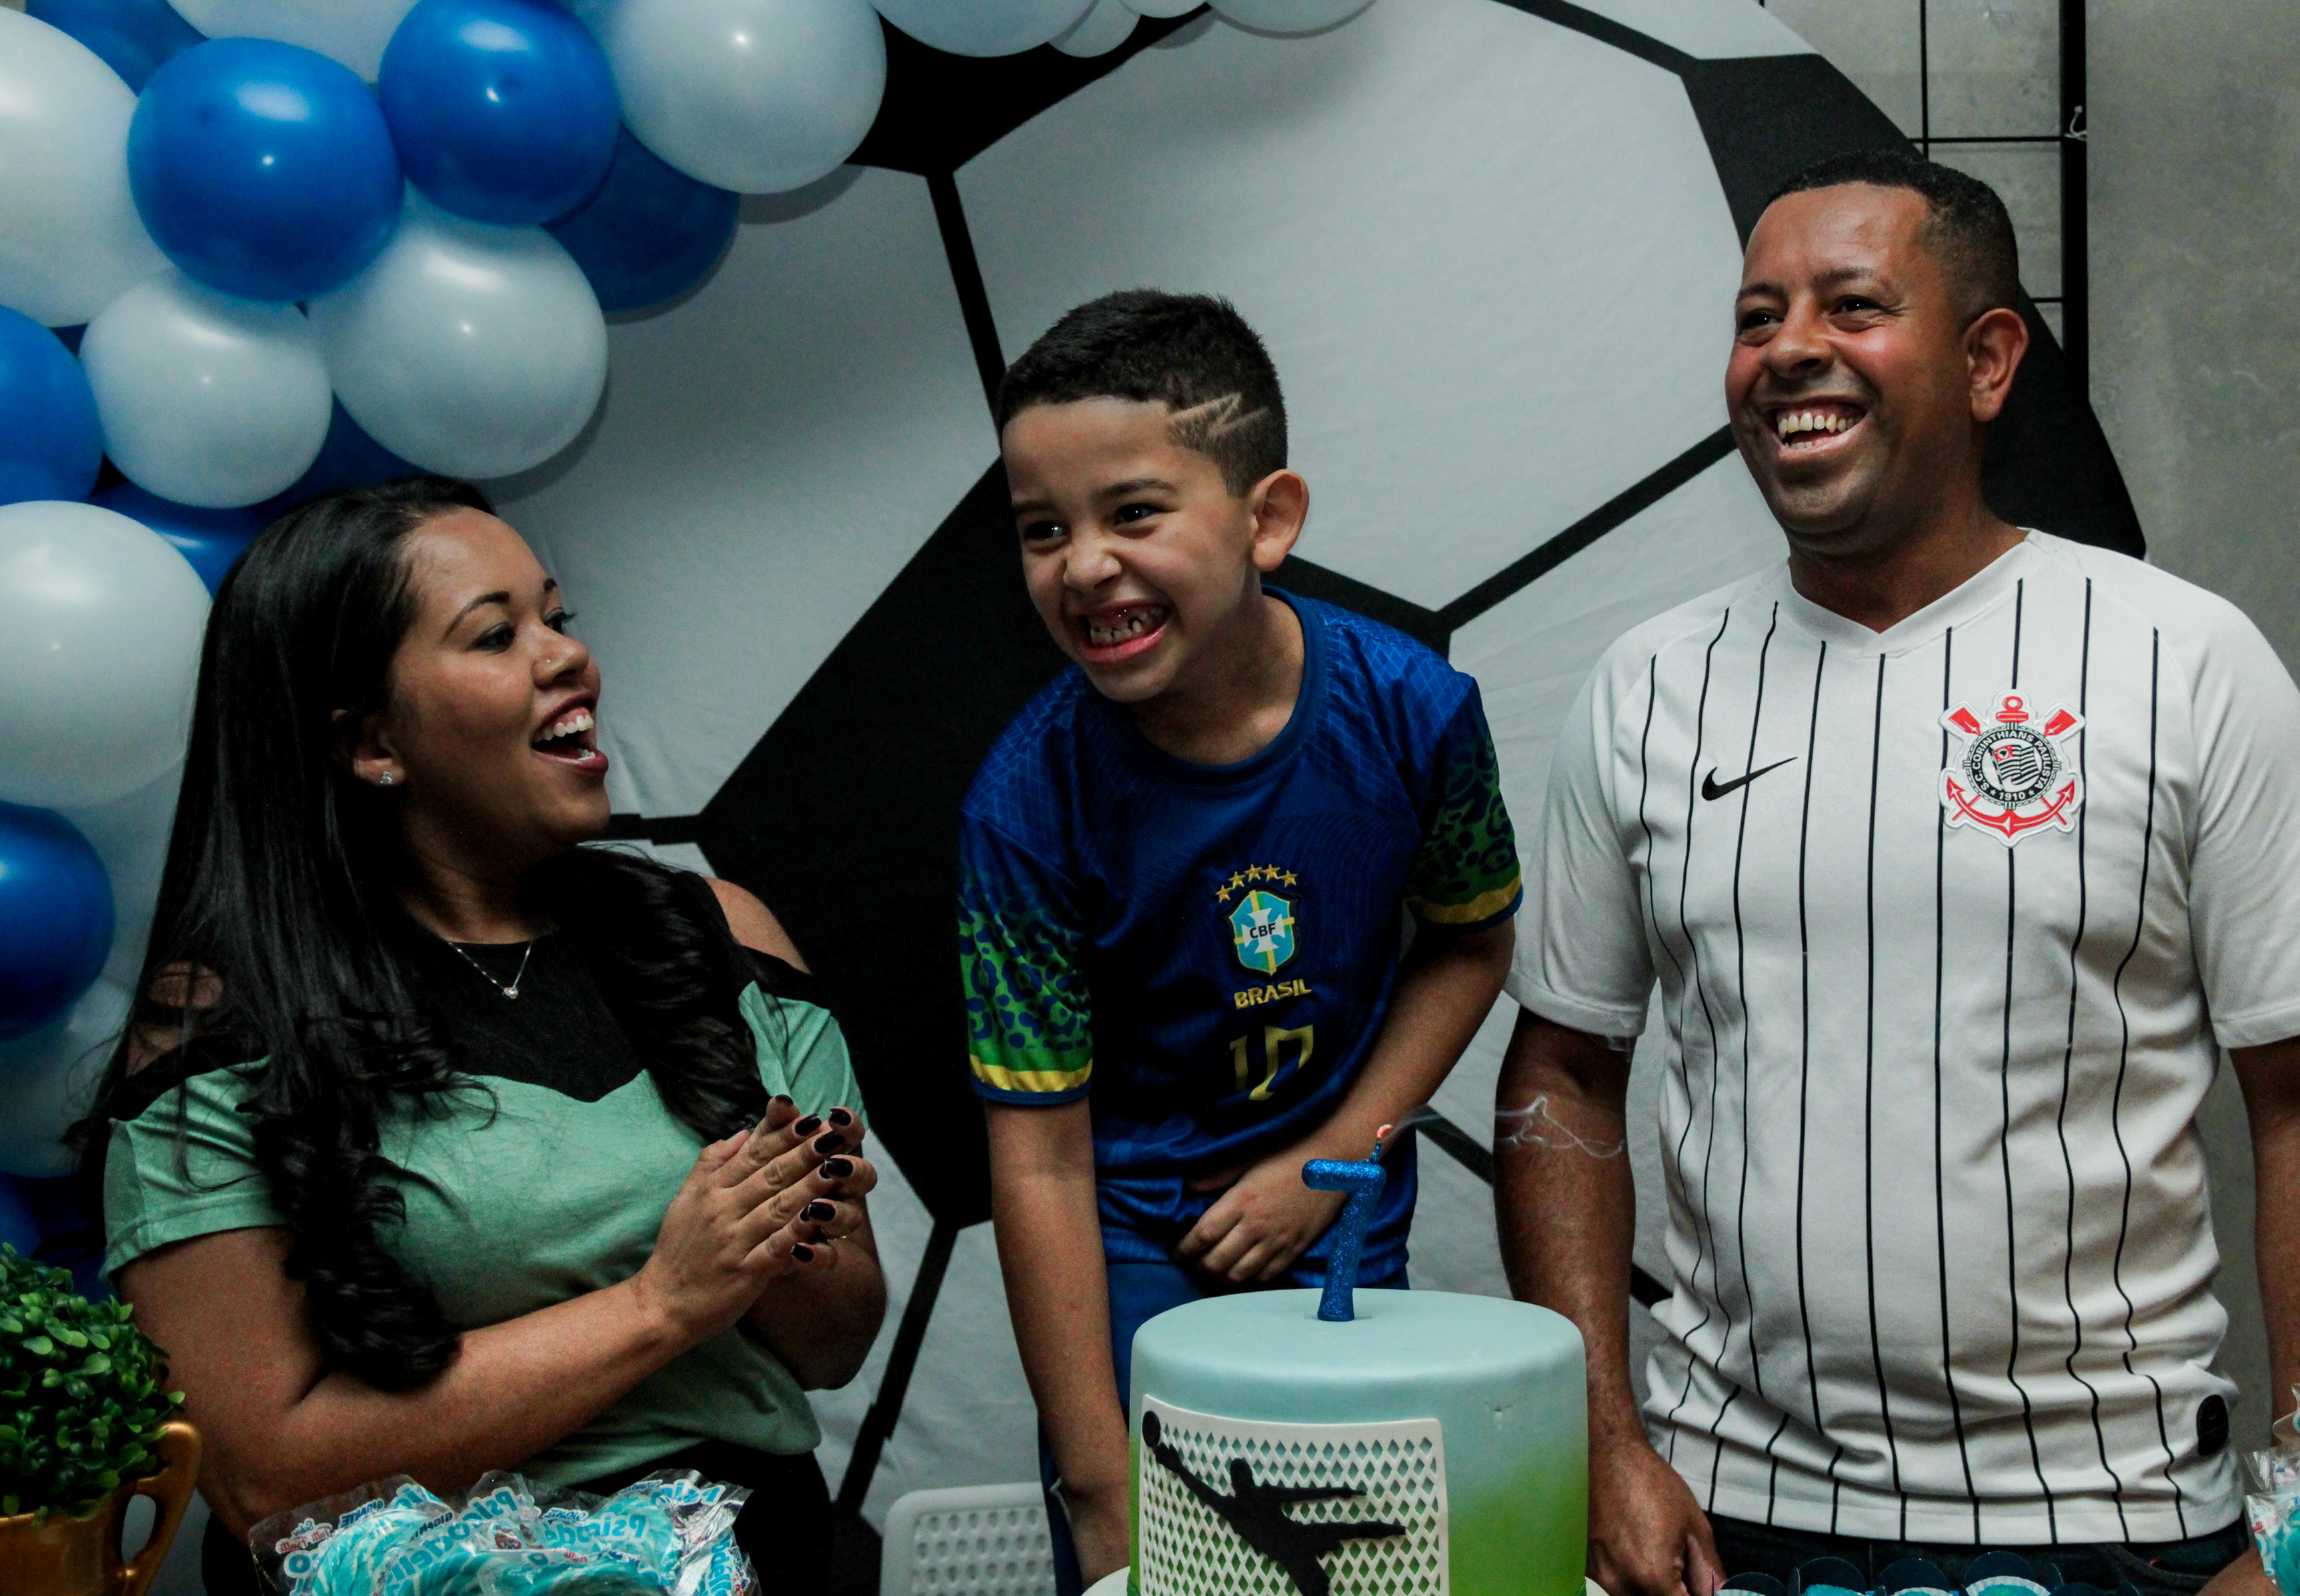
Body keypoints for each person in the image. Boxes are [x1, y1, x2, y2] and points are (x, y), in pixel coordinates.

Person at [1494, 152, 2300, 1595]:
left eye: (1851, 305)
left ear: (1990, 360)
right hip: (1726, 1523)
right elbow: (1561, 1069)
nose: (1788, 347)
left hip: (2116, 1519)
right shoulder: (1647, 687)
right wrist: (1606, 1438)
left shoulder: (2182, 659)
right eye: (1757, 316)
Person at [84, 478, 887, 1595]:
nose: (567, 658)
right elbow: (265, 1477)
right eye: (498, 635)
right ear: (370, 742)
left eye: (557, 617)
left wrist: (787, 1240)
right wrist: (661, 1304)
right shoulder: (220, 1027)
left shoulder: (724, 937)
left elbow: (835, 1345)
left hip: (753, 1557)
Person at [959, 291, 1524, 1593]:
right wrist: (1099, 1487)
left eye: (1132, 512)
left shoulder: (1418, 712)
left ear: (1268, 517)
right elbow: (1038, 1154)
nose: (1083, 563)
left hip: (1335, 1227)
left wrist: (1329, 1156)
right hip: (1133, 1260)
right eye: (1043, 528)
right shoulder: (1025, 804)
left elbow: (1471, 943)